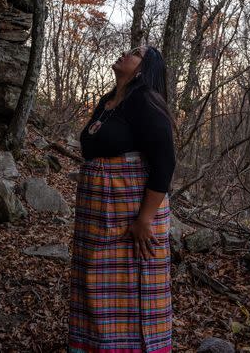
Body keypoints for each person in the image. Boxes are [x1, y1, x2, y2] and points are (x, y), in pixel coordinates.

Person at [68, 45, 176, 353]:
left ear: (144, 69)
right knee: (93, 287)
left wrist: (144, 220)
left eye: (136, 53)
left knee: (133, 290)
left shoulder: (146, 101)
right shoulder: (108, 102)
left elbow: (165, 162)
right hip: (97, 217)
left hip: (131, 217)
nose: (125, 53)